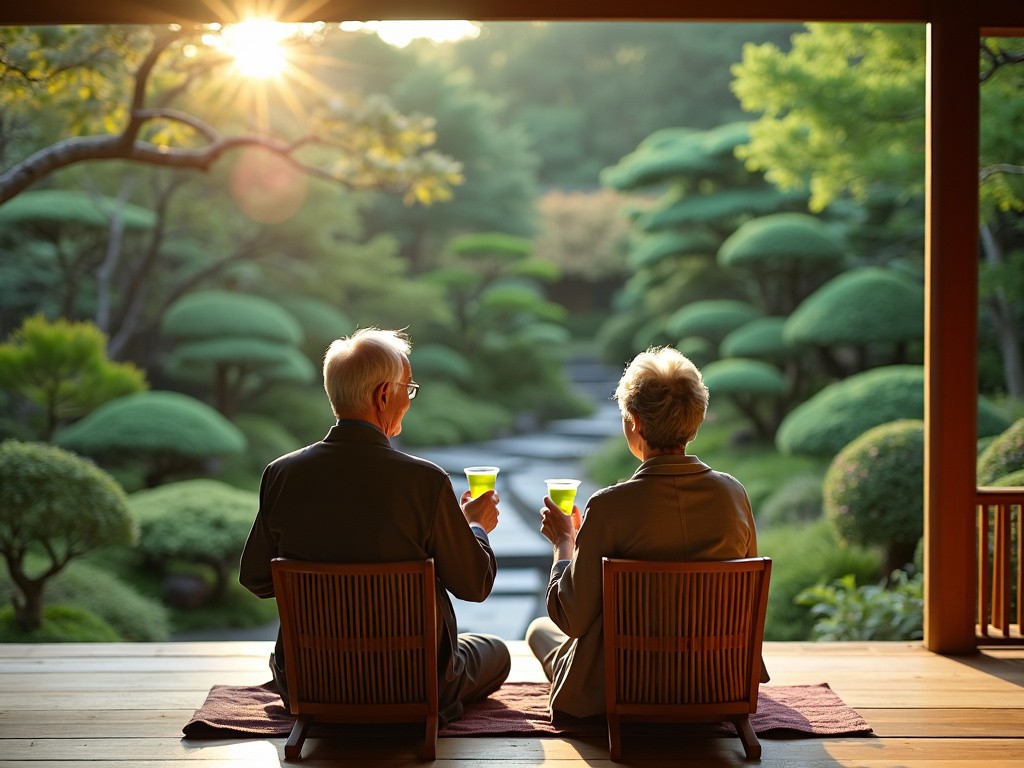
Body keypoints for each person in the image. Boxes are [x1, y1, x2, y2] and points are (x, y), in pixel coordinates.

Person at [240, 327, 511, 724]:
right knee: (496, 652)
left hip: (310, 680)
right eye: (409, 389)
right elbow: (474, 584)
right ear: (384, 395)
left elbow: (257, 579)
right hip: (414, 683)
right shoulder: (425, 481)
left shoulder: (281, 474)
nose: (409, 399)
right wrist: (475, 527)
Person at [525, 345, 765, 719]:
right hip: (715, 680)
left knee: (540, 631)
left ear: (634, 422)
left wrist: (564, 543)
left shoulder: (609, 506)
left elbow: (572, 619)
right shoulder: (733, 494)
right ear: (696, 420)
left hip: (624, 684)